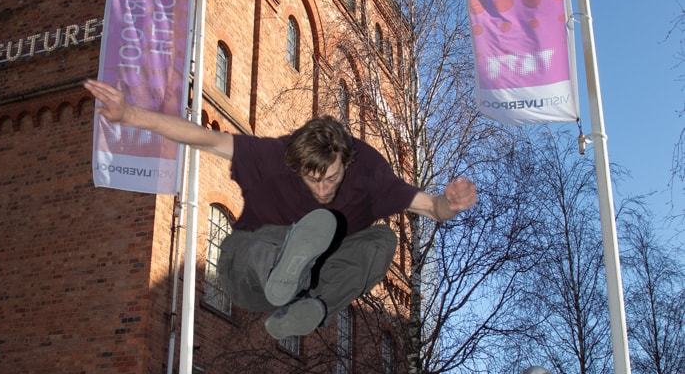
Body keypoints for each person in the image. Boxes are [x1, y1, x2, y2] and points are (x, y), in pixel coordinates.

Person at [84, 79, 477, 339]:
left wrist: (450, 203)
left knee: (381, 240)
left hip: (299, 288)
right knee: (282, 233)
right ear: (296, 165)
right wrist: (129, 114)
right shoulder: (273, 156)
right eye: (313, 179)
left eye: (333, 178)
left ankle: (312, 307)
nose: (323, 188)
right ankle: (283, 268)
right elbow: (202, 138)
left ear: (347, 161)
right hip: (245, 271)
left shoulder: (370, 172)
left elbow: (429, 207)